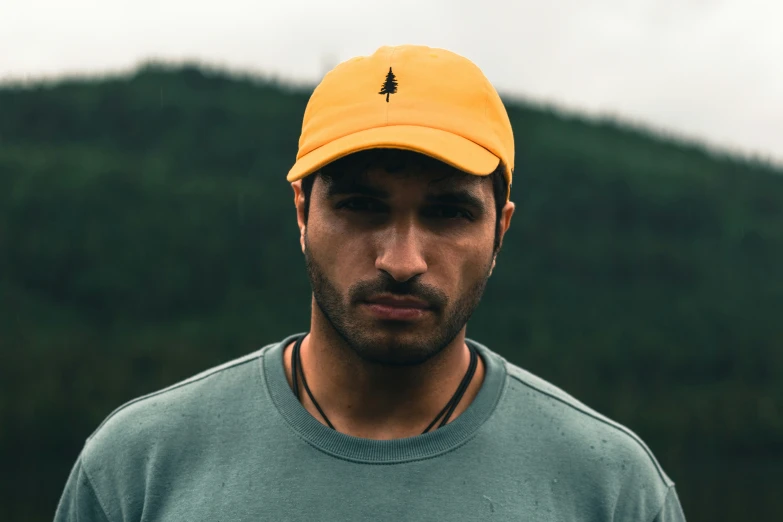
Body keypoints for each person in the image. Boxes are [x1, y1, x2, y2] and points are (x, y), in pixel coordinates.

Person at [55, 45, 686, 521]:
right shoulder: (139, 467)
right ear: (302, 212)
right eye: (361, 205)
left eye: (448, 212)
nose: (402, 259)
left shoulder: (610, 487)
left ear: (501, 230)